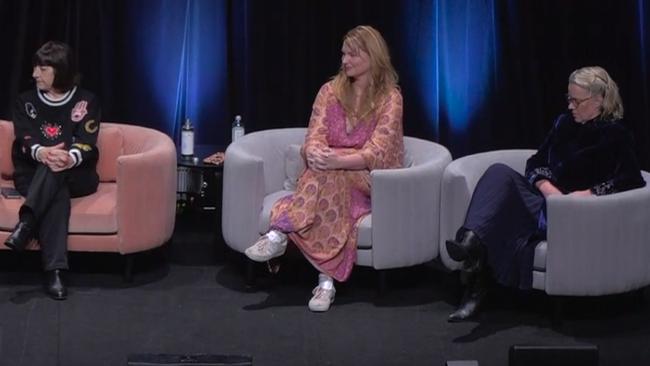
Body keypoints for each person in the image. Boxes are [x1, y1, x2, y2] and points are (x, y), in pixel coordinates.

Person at [445, 66, 646, 322]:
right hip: (546, 202)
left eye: (577, 100)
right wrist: (547, 188)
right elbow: (535, 161)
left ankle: (476, 286)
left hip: (577, 214)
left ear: (599, 99)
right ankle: (469, 243)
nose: (571, 106)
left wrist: (587, 195)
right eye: (569, 98)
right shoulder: (564, 123)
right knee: (498, 173)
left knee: (503, 214)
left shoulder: (616, 134)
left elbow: (632, 179)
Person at [244, 25, 404, 312]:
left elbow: (379, 151)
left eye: (353, 54)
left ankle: (280, 232)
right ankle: (326, 282)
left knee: (329, 174)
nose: (345, 61)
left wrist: (339, 161)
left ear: (372, 56)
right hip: (329, 174)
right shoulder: (329, 91)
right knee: (327, 176)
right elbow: (314, 135)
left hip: (366, 177)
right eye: (343, 54)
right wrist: (315, 152)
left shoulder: (390, 98)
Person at [4, 41, 101, 300]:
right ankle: (55, 271)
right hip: (33, 173)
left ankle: (26, 224)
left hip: (77, 173)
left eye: (42, 68)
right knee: (55, 188)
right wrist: (44, 153)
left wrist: (69, 157)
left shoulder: (86, 101)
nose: (35, 73)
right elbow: (24, 138)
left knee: (56, 171)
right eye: (35, 67)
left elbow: (86, 142)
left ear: (60, 70)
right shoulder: (24, 101)